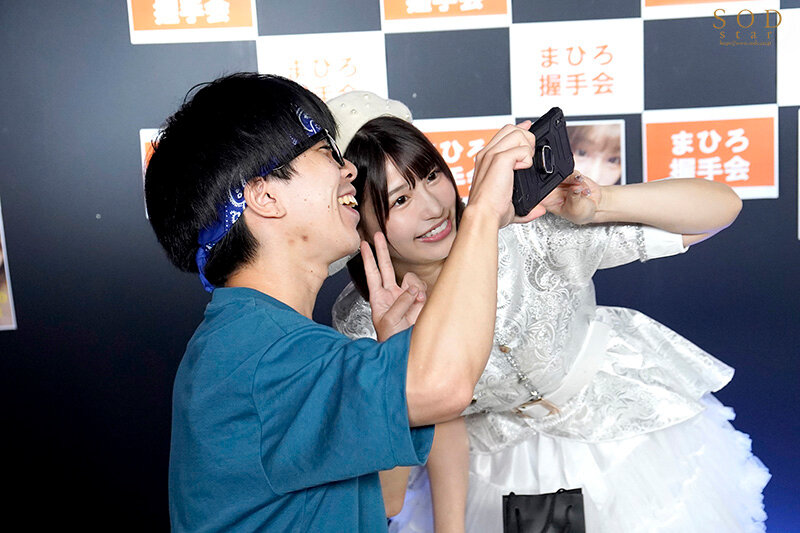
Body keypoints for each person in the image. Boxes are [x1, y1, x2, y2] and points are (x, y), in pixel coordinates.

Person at [328, 91, 770, 533]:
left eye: (430, 176)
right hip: (494, 470)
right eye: (400, 200)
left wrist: (600, 204)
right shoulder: (365, 317)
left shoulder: (525, 230)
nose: (433, 208)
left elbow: (721, 209)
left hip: (626, 436)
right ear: (357, 216)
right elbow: (435, 426)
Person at [143, 73, 547, 531]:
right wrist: (482, 213)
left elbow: (389, 499)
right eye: (324, 152)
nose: (348, 170)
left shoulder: (252, 343)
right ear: (264, 195)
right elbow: (444, 386)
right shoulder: (264, 358)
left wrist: (397, 356)